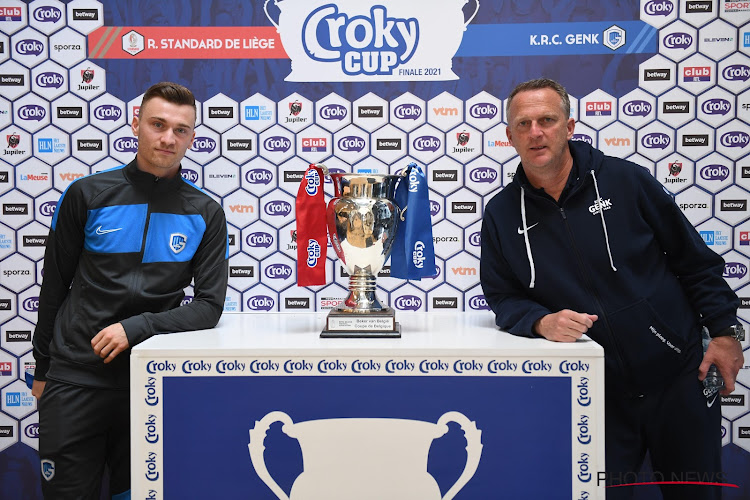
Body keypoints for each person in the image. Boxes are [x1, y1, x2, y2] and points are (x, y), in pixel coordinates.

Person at [480, 78, 744, 500]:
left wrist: (726, 333)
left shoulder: (625, 181)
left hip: (678, 377)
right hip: (592, 395)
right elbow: (501, 295)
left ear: (569, 127)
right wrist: (539, 321)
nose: (536, 132)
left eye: (547, 119)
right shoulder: (501, 213)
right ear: (509, 136)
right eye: (523, 123)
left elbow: (694, 261)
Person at [31, 81, 229, 499]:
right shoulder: (87, 194)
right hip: (74, 377)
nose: (168, 138)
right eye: (158, 124)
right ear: (136, 123)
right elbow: (53, 286)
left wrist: (135, 328)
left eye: (181, 129)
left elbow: (208, 308)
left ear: (192, 138)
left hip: (151, 382)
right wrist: (43, 368)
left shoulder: (206, 212)